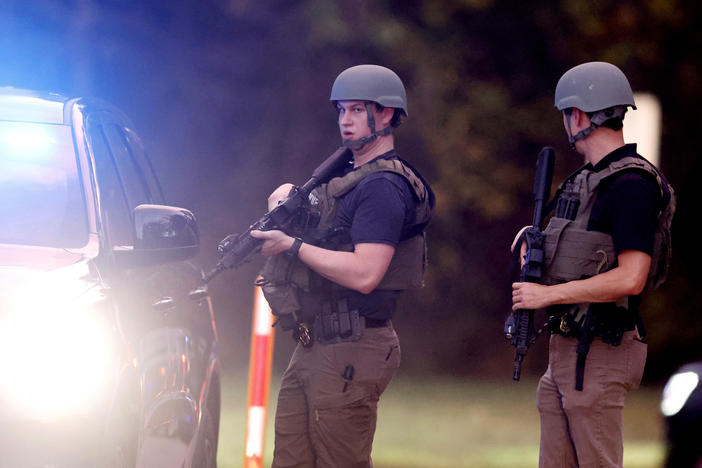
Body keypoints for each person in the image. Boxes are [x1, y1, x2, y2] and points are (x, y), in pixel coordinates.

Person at [250, 64, 434, 468]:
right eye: (341, 111)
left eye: (356, 110)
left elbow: (365, 273)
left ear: (385, 114)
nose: (345, 121)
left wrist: (291, 245)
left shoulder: (383, 187)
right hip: (315, 341)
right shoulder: (346, 177)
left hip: (354, 344)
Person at [511, 61, 675, 467]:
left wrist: (547, 295)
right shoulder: (585, 181)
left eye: (566, 113)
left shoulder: (630, 186)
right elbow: (579, 251)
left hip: (601, 350)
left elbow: (632, 277)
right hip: (567, 349)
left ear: (579, 115)